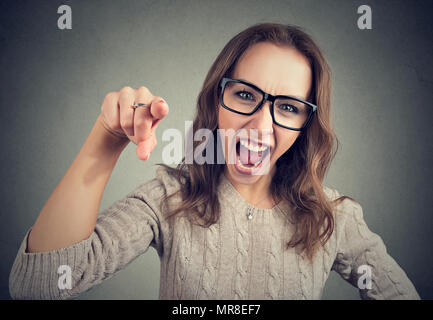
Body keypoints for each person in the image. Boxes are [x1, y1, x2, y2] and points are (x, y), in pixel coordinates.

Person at [9, 23, 420, 300]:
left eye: (289, 107)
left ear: (306, 124)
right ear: (216, 99)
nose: (260, 125)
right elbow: (37, 284)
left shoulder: (334, 217)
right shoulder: (170, 198)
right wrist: (107, 138)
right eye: (245, 95)